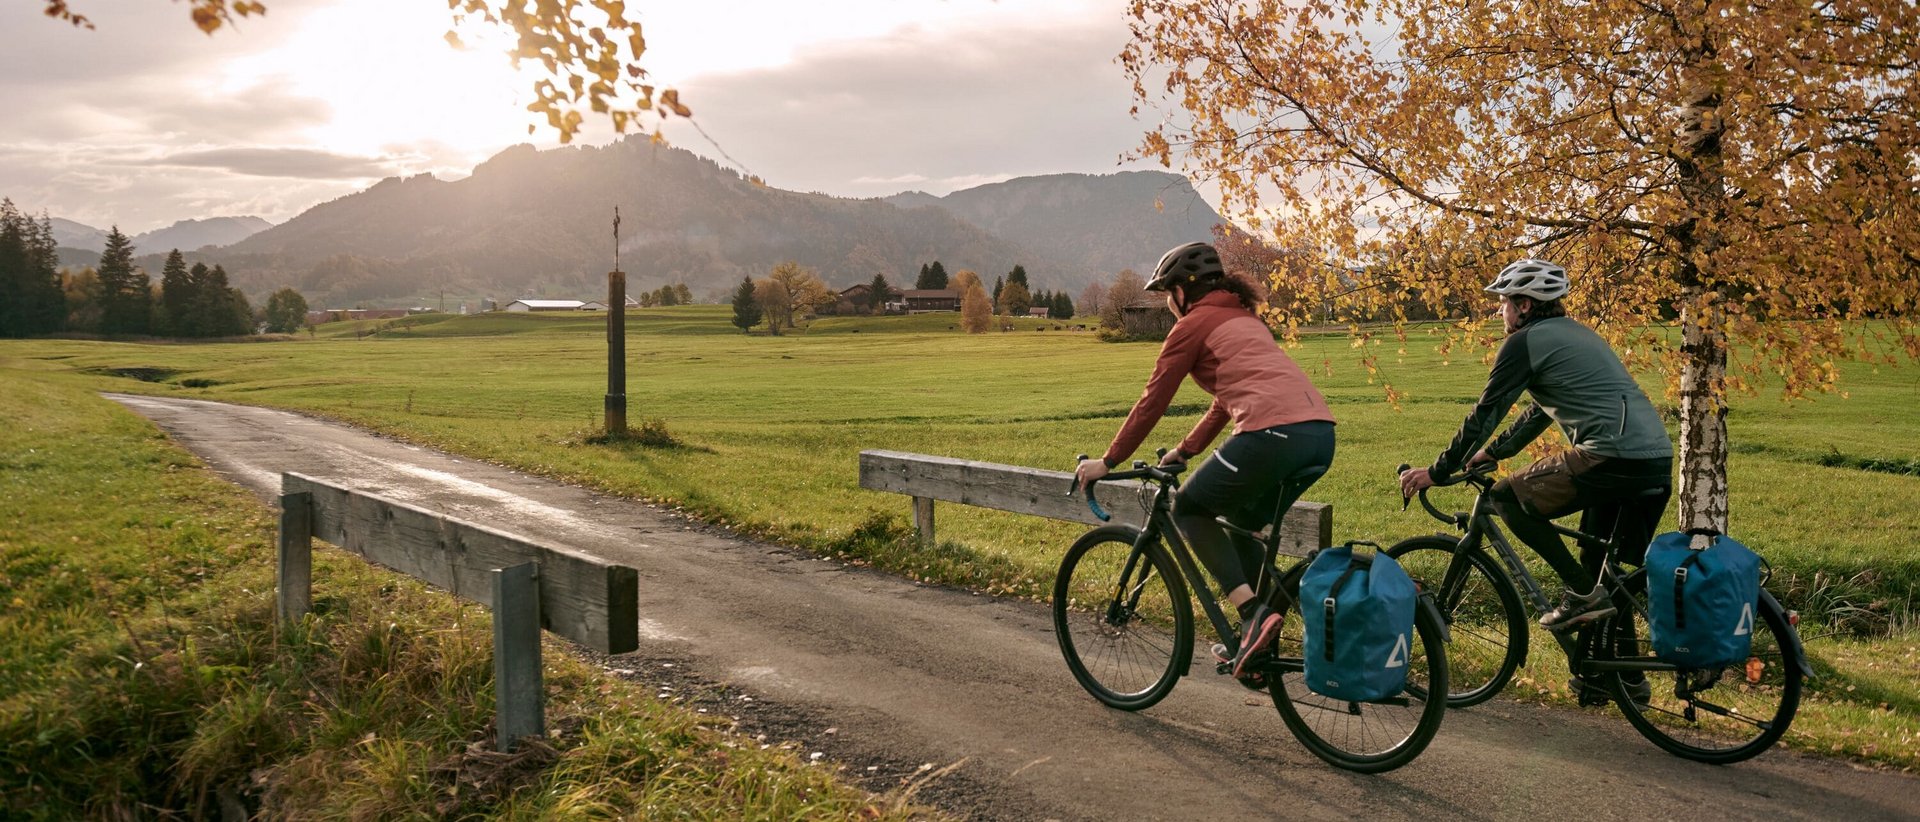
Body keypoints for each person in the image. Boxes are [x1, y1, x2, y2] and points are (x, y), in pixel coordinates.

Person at [1398, 258, 1673, 700]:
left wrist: (1438, 470)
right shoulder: (1577, 335)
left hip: (1609, 457)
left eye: (1504, 303)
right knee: (1607, 571)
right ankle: (1617, 680)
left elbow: (1486, 412)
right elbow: (1536, 412)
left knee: (1507, 500)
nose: (1499, 312)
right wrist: (1494, 452)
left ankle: (1581, 596)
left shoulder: (1524, 342)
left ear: (1524, 305)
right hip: (1655, 461)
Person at [1075, 241, 1336, 681]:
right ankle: (1258, 649)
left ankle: (1253, 615)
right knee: (1241, 519)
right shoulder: (1245, 319)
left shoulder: (1193, 325)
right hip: (1318, 435)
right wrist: (1185, 451)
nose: (1169, 303)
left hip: (1271, 434)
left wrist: (1108, 460)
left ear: (1182, 291)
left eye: (1168, 293)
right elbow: (1222, 403)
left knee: (1189, 508)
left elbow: (1152, 400)